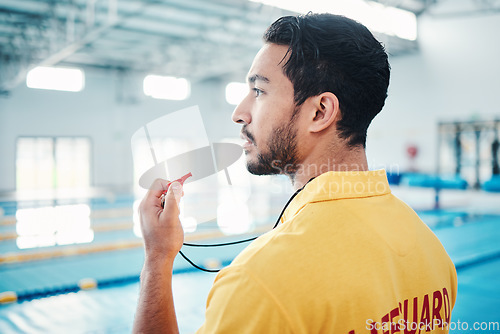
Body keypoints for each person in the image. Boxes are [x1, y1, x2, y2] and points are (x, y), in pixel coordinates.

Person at [133, 13, 457, 333]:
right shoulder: (431, 251)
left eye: (258, 91)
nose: (238, 113)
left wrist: (157, 260)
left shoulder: (260, 282)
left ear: (320, 112)